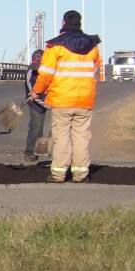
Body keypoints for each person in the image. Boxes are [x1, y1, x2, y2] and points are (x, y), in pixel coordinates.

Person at [31, 10, 102, 183]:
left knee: (61, 136)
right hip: (85, 99)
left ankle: (58, 173)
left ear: (63, 23)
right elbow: (97, 71)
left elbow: (46, 74)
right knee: (81, 136)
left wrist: (37, 91)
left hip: (62, 99)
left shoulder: (55, 47)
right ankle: (80, 174)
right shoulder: (92, 46)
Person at [23, 49, 48, 163]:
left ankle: (40, 150)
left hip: (46, 100)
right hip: (34, 102)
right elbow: (33, 92)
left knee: (45, 127)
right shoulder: (30, 72)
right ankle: (29, 152)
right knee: (36, 126)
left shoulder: (48, 71)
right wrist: (46, 104)